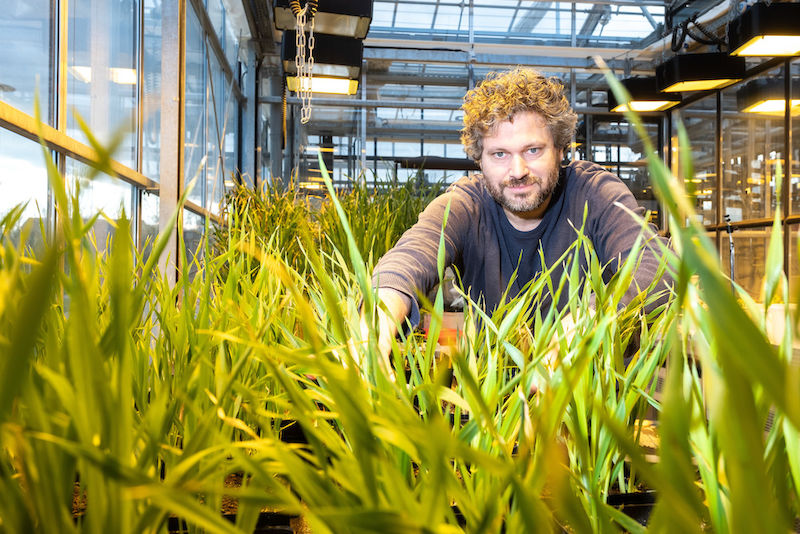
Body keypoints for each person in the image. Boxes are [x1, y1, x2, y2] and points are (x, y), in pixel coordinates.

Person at [369, 67, 672, 359]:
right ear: (480, 160)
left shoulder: (595, 193)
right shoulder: (464, 206)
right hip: (495, 398)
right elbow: (410, 257)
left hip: (595, 398)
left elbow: (655, 266)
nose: (518, 171)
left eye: (533, 151)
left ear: (561, 150)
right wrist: (377, 322)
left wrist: (588, 320)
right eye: (500, 154)